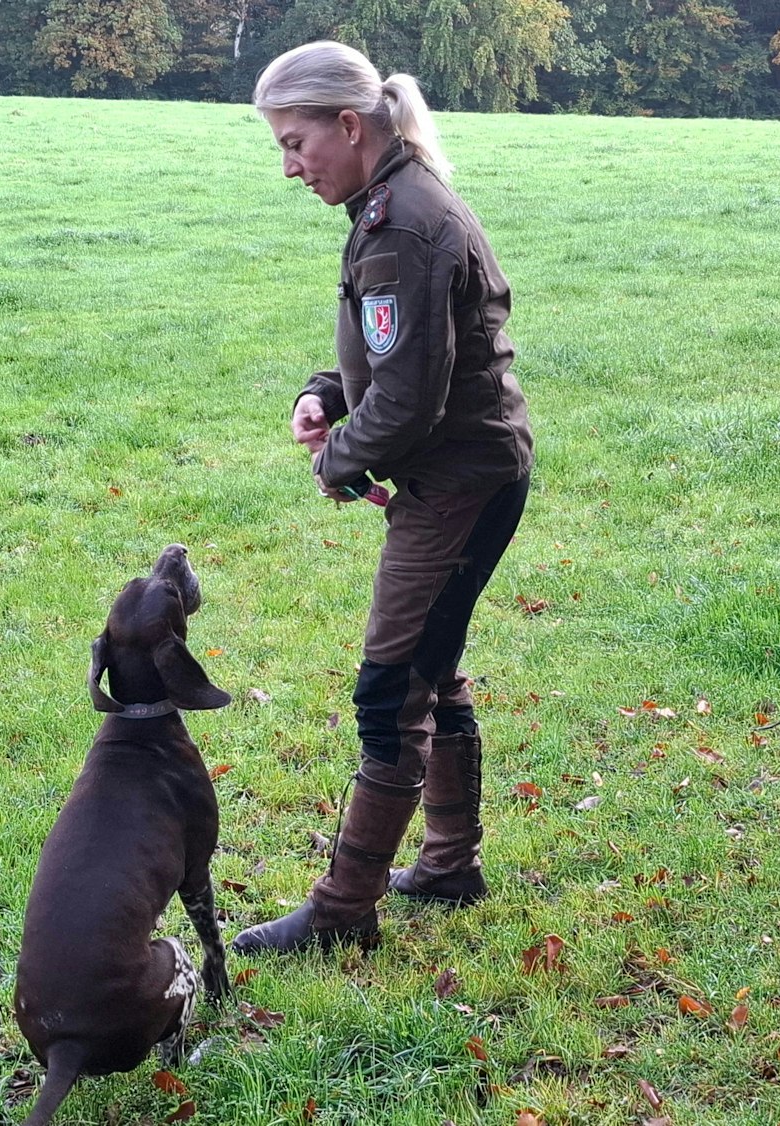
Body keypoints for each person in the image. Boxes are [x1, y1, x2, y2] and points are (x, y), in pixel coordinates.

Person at [230, 40, 535, 954]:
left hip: (461, 483)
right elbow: (389, 354)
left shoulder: (402, 221)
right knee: (430, 666)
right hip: (464, 474)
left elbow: (409, 398)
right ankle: (448, 865)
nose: (289, 167)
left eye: (295, 143)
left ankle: (343, 912)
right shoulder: (386, 204)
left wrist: (339, 463)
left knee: (389, 689)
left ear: (350, 126)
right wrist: (324, 392)